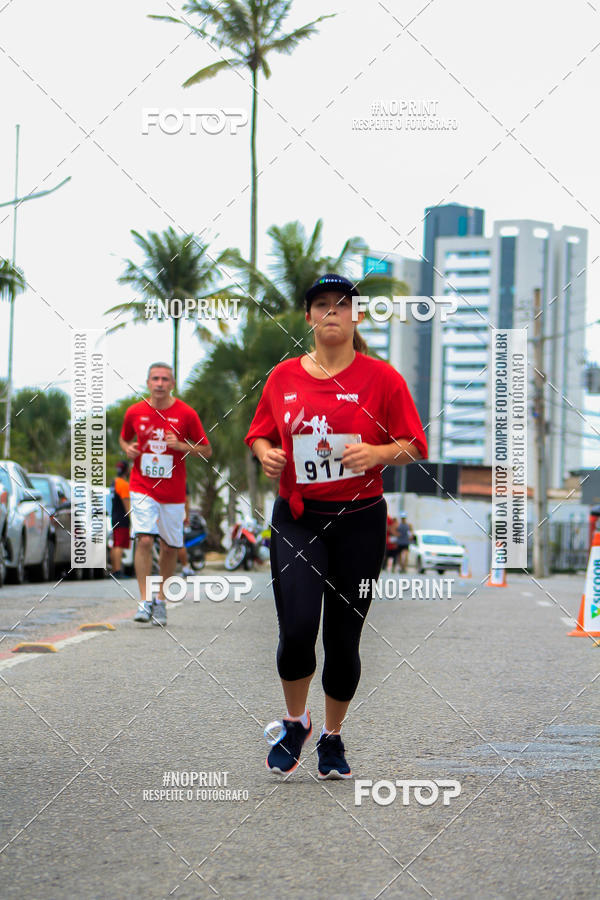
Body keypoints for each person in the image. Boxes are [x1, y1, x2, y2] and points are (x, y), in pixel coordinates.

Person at [245, 273, 427, 779]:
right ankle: (294, 720)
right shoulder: (283, 377)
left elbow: (414, 445)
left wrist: (378, 453)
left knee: (344, 639)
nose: (331, 312)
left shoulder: (383, 378)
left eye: (341, 305)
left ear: (355, 317)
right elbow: (259, 436)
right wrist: (268, 456)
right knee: (298, 627)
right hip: (299, 519)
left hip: (361, 522)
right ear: (308, 317)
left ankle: (332, 736)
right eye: (321, 304)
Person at [119, 362, 212, 626]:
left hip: (172, 493)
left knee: (170, 547)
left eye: (165, 379)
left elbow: (206, 450)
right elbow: (124, 439)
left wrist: (181, 446)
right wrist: (128, 448)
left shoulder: (186, 413)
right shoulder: (135, 412)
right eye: (155, 379)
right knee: (145, 540)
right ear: (148, 382)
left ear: (172, 383)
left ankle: (160, 601)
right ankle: (144, 600)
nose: (159, 383)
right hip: (141, 486)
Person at [110, 461, 131, 578]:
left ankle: (114, 569)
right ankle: (117, 571)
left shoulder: (114, 482)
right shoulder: (123, 484)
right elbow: (126, 504)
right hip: (122, 518)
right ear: (126, 470)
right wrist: (131, 519)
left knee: (115, 544)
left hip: (115, 516)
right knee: (119, 545)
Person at [178, 484, 195, 576]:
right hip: (177, 515)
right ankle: (185, 568)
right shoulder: (181, 480)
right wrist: (187, 516)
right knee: (179, 543)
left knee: (165, 543)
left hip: (162, 514)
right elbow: (186, 501)